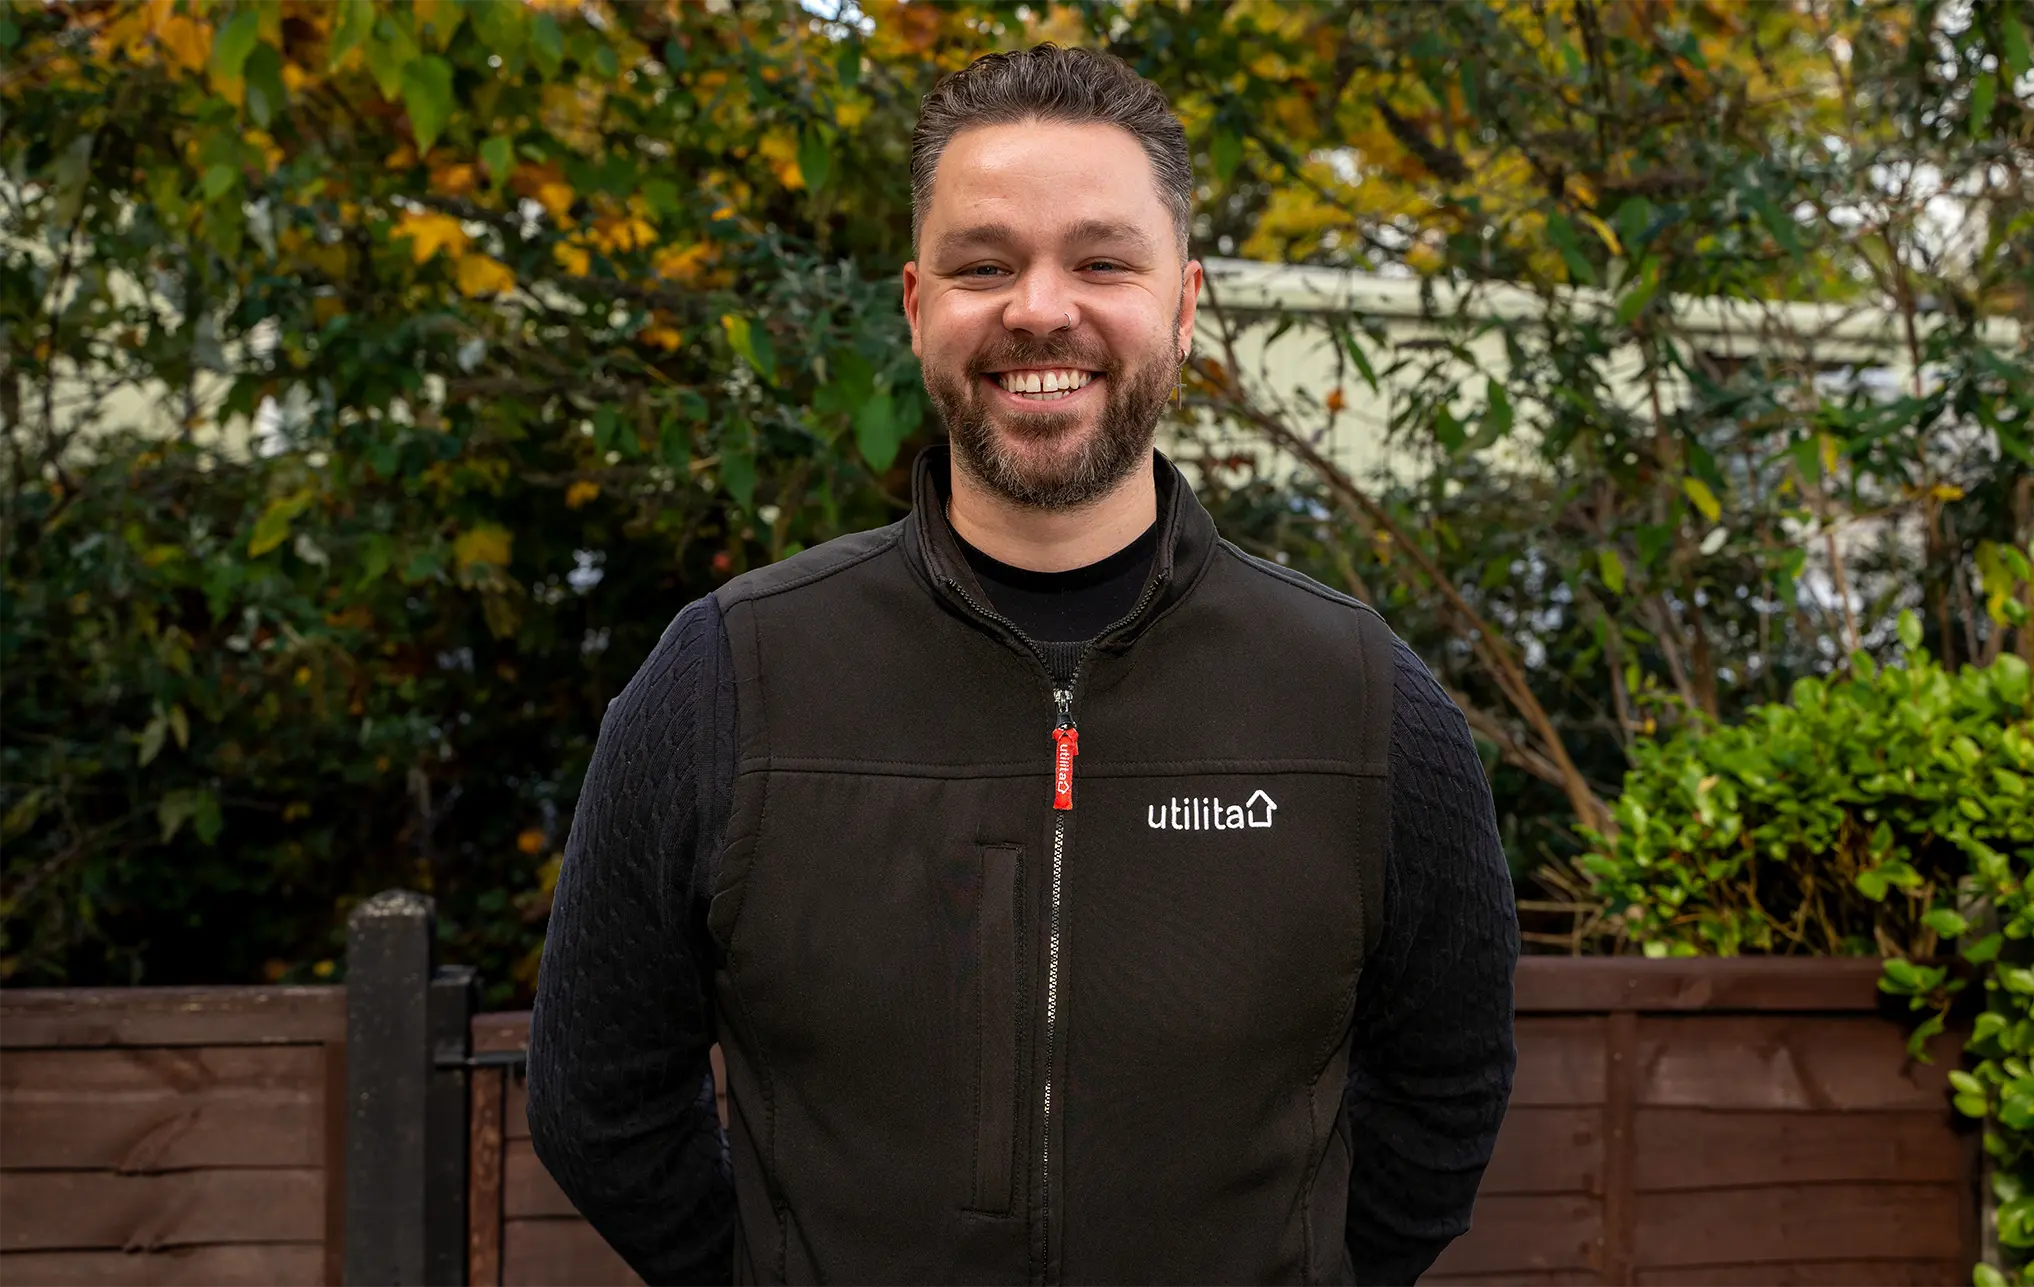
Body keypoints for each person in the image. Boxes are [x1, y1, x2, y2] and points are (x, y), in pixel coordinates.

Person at [527, 43, 1518, 1287]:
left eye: (1101, 261)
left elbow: (1446, 1094)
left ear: (1183, 303)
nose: (1039, 308)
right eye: (983, 265)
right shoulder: (727, 679)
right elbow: (594, 1103)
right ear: (913, 306)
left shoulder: (1361, 702)